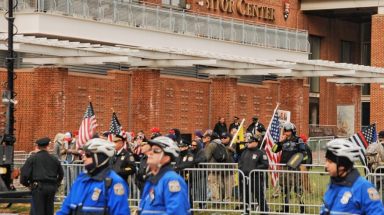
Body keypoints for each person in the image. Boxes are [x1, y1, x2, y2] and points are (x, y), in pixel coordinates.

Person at [57, 138, 130, 215]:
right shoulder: (81, 180)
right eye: (83, 154)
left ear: (100, 157)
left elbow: (120, 212)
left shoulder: (114, 182)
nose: (83, 158)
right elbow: (65, 209)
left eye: (88, 155)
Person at [320, 138, 384, 214]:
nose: (326, 165)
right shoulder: (332, 186)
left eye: (330, 162)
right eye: (326, 161)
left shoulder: (363, 188)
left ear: (342, 165)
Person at [138, 136, 190, 214]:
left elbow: (176, 212)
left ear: (167, 157)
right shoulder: (151, 179)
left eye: (156, 150)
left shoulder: (171, 179)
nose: (150, 153)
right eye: (150, 149)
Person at [20, 137, 64, 215]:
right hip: (51, 187)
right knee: (49, 210)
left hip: (38, 188)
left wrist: (28, 184)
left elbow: (24, 175)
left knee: (38, 211)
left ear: (37, 147)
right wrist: (56, 184)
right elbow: (61, 174)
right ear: (48, 146)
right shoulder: (54, 159)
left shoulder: (32, 159)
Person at [272, 122, 307, 213]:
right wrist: (280, 142)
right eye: (285, 131)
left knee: (297, 189)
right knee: (284, 189)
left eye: (288, 131)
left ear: (292, 131)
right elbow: (273, 150)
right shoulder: (283, 141)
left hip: (294, 169)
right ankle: (285, 209)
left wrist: (294, 163)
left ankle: (302, 209)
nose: (286, 132)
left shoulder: (298, 140)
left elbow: (304, 154)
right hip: (284, 169)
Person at [239, 136, 269, 214]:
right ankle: (246, 211)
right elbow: (240, 163)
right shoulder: (245, 152)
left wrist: (254, 169)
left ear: (255, 143)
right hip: (245, 178)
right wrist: (241, 170)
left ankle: (264, 212)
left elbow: (265, 165)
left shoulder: (261, 152)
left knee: (259, 196)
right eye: (248, 142)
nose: (248, 143)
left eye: (250, 142)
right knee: (245, 196)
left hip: (256, 178)